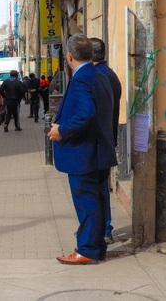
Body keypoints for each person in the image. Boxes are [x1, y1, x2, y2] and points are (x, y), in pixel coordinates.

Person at [48, 34, 117, 264]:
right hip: (98, 150)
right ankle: (96, 247)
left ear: (69, 56)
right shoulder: (101, 75)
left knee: (86, 202)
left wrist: (62, 130)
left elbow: (85, 113)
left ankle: (87, 249)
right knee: (96, 200)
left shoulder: (81, 79)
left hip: (84, 153)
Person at [90, 37, 122, 245]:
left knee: (97, 187)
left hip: (97, 141)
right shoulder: (110, 75)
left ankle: (101, 229)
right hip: (108, 137)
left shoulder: (96, 77)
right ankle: (103, 228)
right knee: (101, 186)